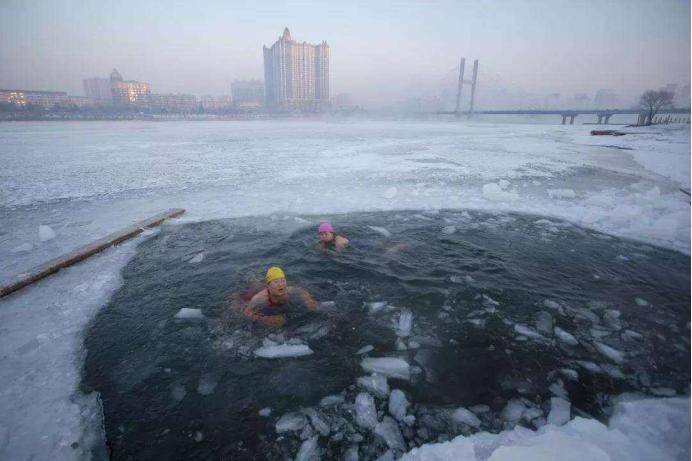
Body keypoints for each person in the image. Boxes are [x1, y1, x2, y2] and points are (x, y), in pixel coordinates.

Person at [241, 266, 317, 328]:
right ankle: (251, 278)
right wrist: (265, 319)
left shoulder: (289, 290)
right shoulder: (259, 299)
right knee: (254, 286)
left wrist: (309, 301)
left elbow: (301, 290)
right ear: (268, 285)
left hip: (275, 301)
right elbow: (246, 312)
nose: (281, 284)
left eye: (283, 280)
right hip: (257, 292)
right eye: (276, 282)